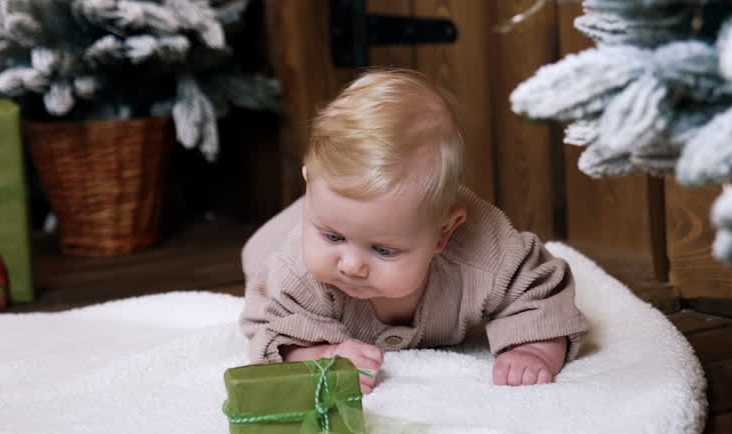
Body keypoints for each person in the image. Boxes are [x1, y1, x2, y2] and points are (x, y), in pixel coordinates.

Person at [240, 69, 590, 394]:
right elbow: (270, 328)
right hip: (282, 238)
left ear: (444, 233)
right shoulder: (295, 270)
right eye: (333, 237)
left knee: (349, 222)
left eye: (383, 250)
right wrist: (319, 353)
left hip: (348, 214)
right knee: (258, 254)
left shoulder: (488, 253)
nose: (350, 266)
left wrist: (535, 349)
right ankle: (312, 213)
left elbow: (539, 294)